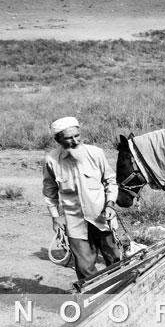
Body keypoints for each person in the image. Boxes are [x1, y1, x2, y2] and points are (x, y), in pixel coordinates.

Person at [43, 116, 121, 280]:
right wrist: (55, 218)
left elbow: (110, 181)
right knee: (85, 269)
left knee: (115, 263)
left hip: (102, 218)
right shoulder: (51, 160)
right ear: (58, 139)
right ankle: (93, 301)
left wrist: (110, 205)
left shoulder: (96, 153)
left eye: (77, 135)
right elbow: (49, 191)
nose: (75, 141)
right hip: (75, 222)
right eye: (69, 138)